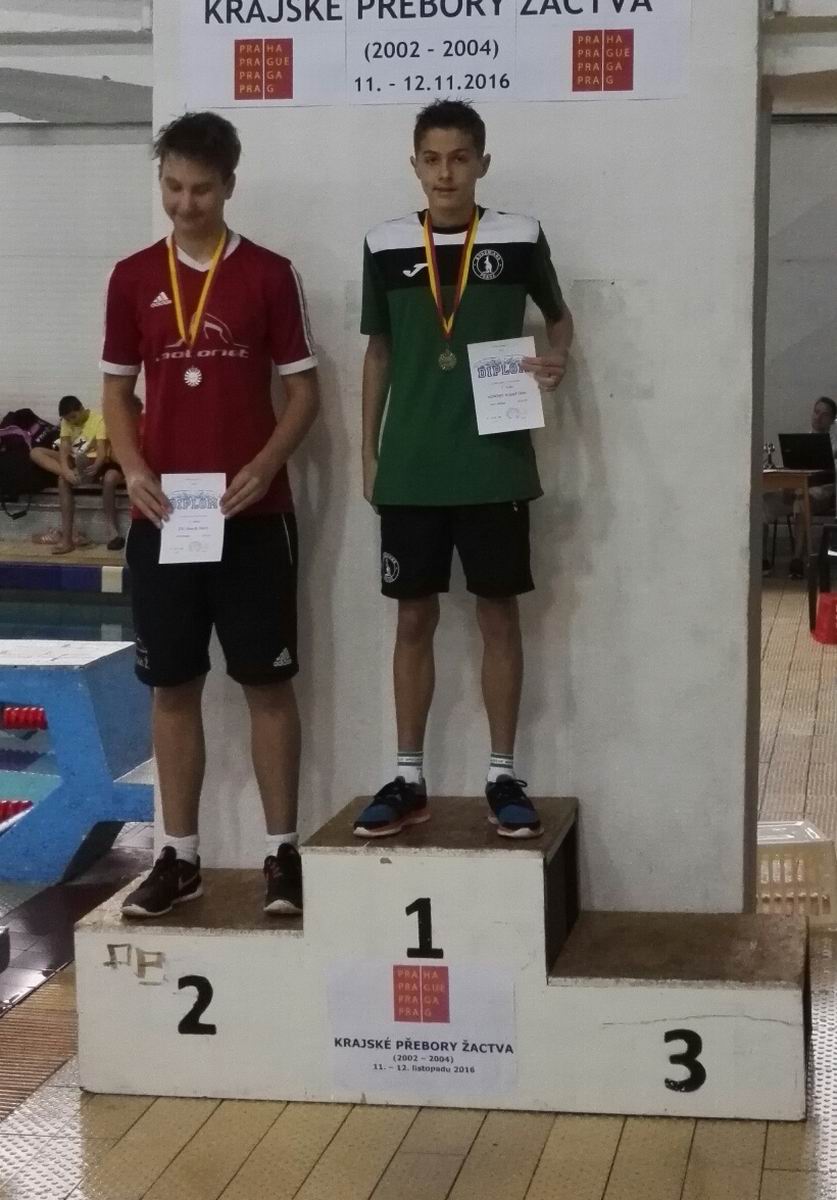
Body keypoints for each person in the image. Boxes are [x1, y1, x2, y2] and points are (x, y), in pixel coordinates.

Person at [100, 112, 319, 918]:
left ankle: (281, 854)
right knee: (171, 687)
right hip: (166, 517)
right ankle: (179, 855)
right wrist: (132, 466)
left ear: (229, 185)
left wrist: (266, 463)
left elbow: (304, 391)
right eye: (172, 187)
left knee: (267, 684)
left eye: (199, 189)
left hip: (253, 516)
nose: (184, 204)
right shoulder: (131, 277)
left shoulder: (269, 274)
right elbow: (116, 391)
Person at [356, 100, 573, 840]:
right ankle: (408, 777)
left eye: (458, 158)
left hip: (494, 467)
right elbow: (378, 351)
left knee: (497, 616)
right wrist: (367, 453)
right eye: (432, 159)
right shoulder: (384, 243)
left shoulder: (519, 235)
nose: (445, 173)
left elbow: (558, 317)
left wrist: (557, 358)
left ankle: (502, 774)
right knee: (412, 619)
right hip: (412, 469)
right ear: (414, 164)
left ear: (482, 162)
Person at [766, 396, 837, 578]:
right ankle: (761, 558)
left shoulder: (835, 445)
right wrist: (788, 486)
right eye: (816, 412)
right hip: (795, 491)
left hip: (820, 497)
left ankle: (797, 559)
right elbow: (791, 469)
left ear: (832, 420)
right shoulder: (798, 442)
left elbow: (831, 477)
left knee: (801, 501)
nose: (818, 417)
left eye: (824, 414)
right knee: (763, 502)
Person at [29, 395, 108, 554]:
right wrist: (65, 470)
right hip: (72, 461)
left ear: (81, 408)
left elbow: (102, 451)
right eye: (67, 419)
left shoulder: (99, 420)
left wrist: (97, 465)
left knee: (66, 476)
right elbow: (64, 448)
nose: (71, 421)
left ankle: (66, 540)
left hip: (90, 461)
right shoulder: (66, 422)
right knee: (36, 452)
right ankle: (73, 475)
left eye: (73, 417)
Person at [101, 394, 144, 550]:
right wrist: (129, 466)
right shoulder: (119, 425)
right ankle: (111, 529)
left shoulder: (148, 422)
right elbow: (112, 453)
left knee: (140, 480)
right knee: (109, 478)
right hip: (124, 465)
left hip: (144, 467)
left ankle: (140, 526)